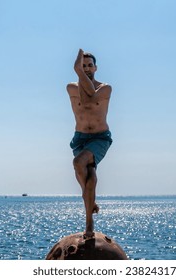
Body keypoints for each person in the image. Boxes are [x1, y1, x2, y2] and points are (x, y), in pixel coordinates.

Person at [67, 49, 113, 239]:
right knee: (90, 174)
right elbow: (83, 95)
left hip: (100, 138)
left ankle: (89, 223)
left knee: (79, 163)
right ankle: (90, 203)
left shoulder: (105, 88)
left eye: (89, 65)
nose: (86, 68)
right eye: (83, 65)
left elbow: (89, 98)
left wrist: (77, 71)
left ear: (96, 67)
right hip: (80, 138)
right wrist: (78, 74)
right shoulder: (71, 87)